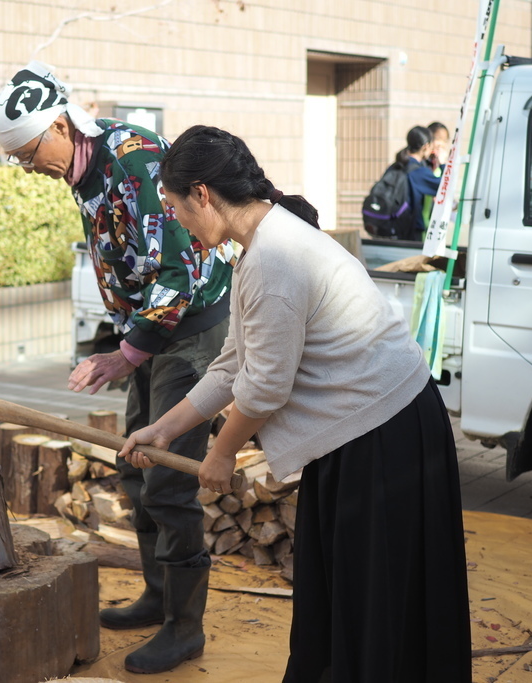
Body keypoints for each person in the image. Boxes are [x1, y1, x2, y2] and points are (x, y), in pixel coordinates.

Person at [118, 125, 472, 682]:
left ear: (203, 194)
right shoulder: (259, 246)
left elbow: (263, 388)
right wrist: (163, 429)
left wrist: (221, 454)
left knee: (369, 594)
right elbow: (233, 365)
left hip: (386, 433)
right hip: (360, 431)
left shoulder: (273, 259)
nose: (179, 225)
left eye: (176, 208)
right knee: (339, 590)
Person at [0, 62, 236, 674]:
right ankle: (158, 595)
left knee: (170, 480)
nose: (29, 167)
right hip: (146, 333)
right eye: (16, 159)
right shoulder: (82, 165)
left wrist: (123, 354)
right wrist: (126, 343)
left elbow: (177, 269)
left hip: (190, 328)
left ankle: (186, 626)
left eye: (28, 153)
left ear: (59, 127)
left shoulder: (136, 161)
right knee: (136, 461)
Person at [398, 125, 442, 241]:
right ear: (426, 146)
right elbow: (445, 186)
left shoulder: (397, 165)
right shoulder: (418, 172)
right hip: (410, 231)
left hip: (395, 227)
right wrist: (442, 162)